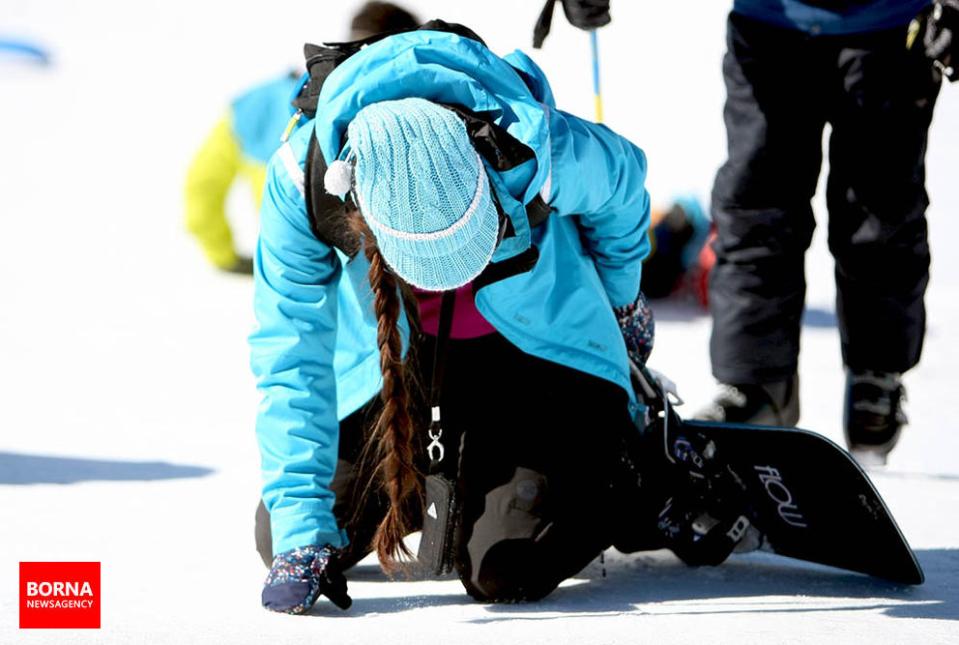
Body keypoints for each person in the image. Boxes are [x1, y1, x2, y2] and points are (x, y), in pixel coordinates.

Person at [247, 21, 683, 614]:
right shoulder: (306, 182)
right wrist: (302, 530)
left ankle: (627, 469)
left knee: (506, 566)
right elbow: (290, 353)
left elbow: (623, 182)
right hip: (399, 369)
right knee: (280, 532)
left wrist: (623, 299)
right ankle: (452, 477)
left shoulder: (530, 145)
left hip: (536, 364)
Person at [697, 0, 957, 464]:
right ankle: (757, 385)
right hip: (768, 23)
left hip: (889, 26)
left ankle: (877, 373)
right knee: (755, 204)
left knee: (878, 208)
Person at [183, 2, 419, 275]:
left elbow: (201, 185)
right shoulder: (402, 105)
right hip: (382, 272)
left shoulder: (255, 104)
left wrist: (224, 255)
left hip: (286, 267)